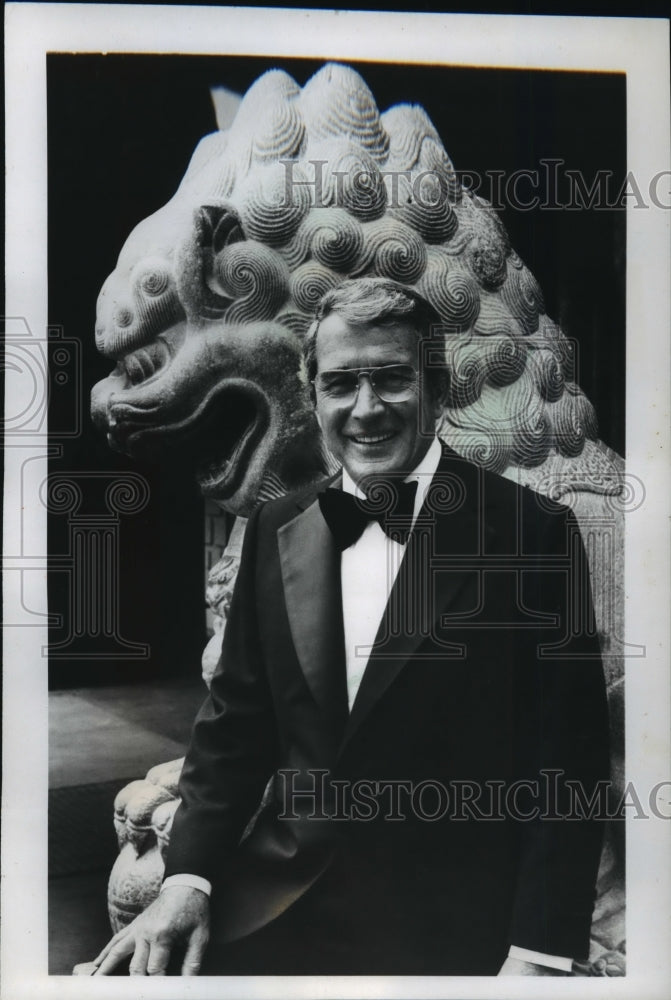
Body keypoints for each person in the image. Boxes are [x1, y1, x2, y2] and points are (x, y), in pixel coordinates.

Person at [92, 278, 609, 977]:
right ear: (312, 394)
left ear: (436, 385)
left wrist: (537, 953)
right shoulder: (276, 525)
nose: (365, 409)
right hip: (275, 905)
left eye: (391, 379)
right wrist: (188, 880)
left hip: (458, 931)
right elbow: (234, 729)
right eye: (340, 384)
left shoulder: (532, 533)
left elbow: (566, 763)